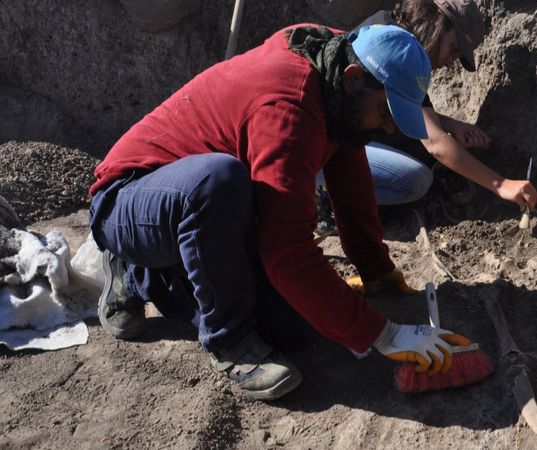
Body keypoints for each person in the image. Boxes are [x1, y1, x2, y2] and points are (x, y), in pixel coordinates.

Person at [88, 23, 472, 401]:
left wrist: (375, 270)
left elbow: (348, 163)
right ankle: (209, 327)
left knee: (298, 327)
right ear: (355, 79)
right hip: (130, 197)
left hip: (206, 212)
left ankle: (178, 276)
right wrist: (383, 334)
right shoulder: (289, 108)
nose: (390, 128)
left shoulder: (341, 65)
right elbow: (287, 250)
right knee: (218, 181)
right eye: (387, 111)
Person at [317, 0, 537, 231]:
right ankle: (327, 205)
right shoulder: (397, 50)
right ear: (437, 24)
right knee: (415, 180)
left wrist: (449, 123)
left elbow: (402, 110)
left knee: (417, 143)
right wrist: (501, 184)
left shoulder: (392, 29)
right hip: (320, 153)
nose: (449, 63)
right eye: (454, 49)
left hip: (331, 139)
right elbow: (435, 143)